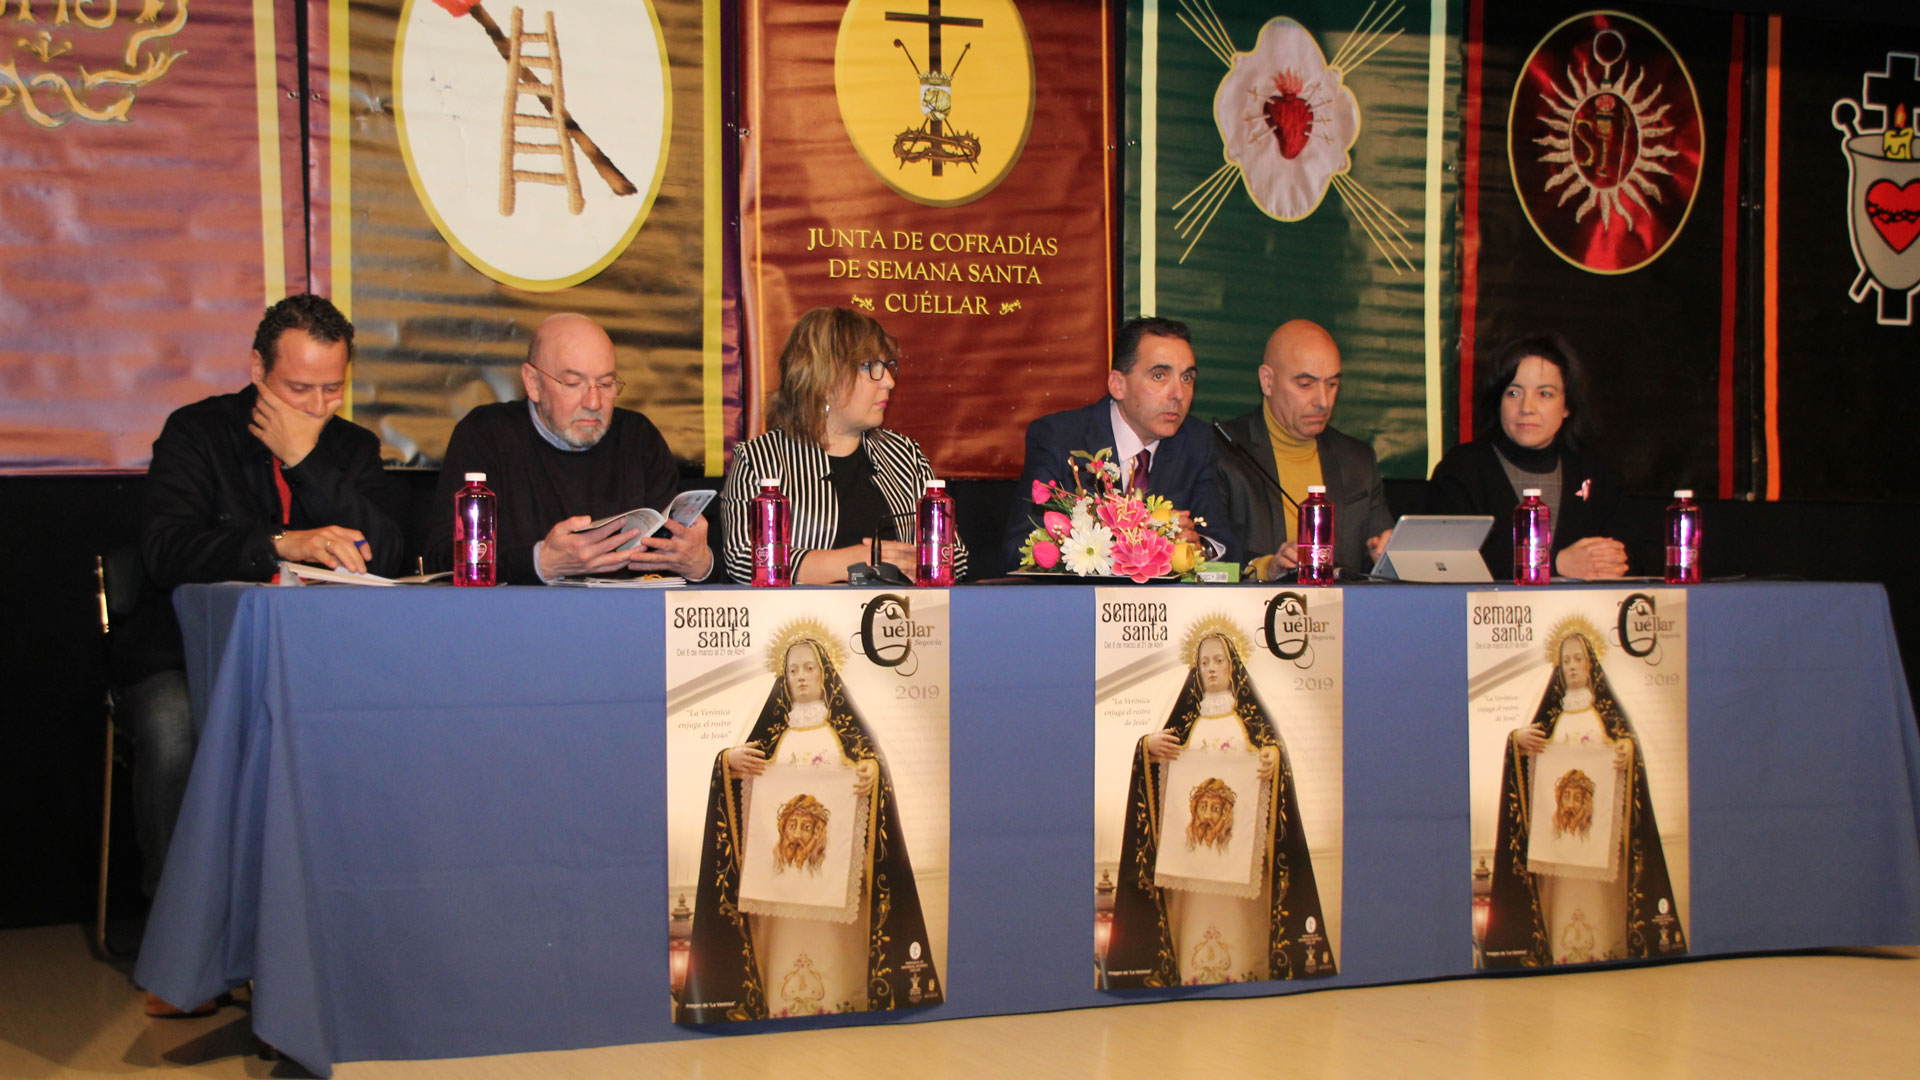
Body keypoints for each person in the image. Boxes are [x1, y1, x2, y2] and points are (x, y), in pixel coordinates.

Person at [127, 294, 403, 1013]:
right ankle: (180, 941)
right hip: (190, 655)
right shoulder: (196, 434)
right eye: (298, 389)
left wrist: (306, 458)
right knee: (168, 726)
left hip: (321, 664)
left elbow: (394, 551)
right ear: (256, 369)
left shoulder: (349, 448)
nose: (317, 404)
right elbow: (165, 552)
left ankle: (337, 926)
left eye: (332, 389)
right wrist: (278, 543)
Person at [678, 630, 942, 1020]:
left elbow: (872, 768)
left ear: (825, 676)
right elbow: (737, 789)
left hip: (832, 879)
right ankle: (779, 1006)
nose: (801, 676)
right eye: (792, 670)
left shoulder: (849, 738)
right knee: (783, 948)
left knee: (837, 951)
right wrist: (729, 761)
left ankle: (843, 1000)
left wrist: (870, 772)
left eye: (810, 668)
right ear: (783, 678)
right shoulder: (771, 737)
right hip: (780, 887)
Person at [1103, 628, 1335, 987]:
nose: (1211, 668)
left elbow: (1273, 758)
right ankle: (1189, 974)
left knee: (1241, 921)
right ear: (1195, 669)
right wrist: (1147, 747)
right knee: (1193, 920)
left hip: (1238, 856)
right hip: (1192, 864)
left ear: (1233, 668)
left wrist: (1272, 759)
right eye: (1204, 661)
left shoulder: (1253, 726)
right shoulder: (1185, 724)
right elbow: (1154, 769)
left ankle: (1247, 970)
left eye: (1219, 660)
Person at [428, 313, 714, 584]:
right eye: (573, 383)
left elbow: (676, 554)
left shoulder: (638, 437)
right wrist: (541, 563)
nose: (593, 402)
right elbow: (439, 559)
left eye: (605, 383)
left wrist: (699, 565)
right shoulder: (486, 434)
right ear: (533, 383)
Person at [1480, 620, 1687, 968]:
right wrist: (1517, 741)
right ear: (1558, 668)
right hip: (1558, 852)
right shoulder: (1550, 718)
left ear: (1591, 663)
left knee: (1603, 907)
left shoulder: (1608, 719)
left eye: (1578, 659)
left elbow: (1628, 754)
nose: (1573, 666)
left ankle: (1608, 950)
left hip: (1599, 844)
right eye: (1566, 661)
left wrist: (1625, 750)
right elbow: (1525, 767)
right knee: (1560, 904)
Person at [720, 307, 967, 583]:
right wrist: (849, 562)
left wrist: (920, 562)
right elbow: (743, 559)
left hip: (898, 620)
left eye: (887, 367)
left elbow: (956, 555)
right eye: (871, 367)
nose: (889, 381)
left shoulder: (904, 454)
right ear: (824, 379)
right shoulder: (760, 460)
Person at [1002, 316, 1236, 571]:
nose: (1178, 394)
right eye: (1159, 376)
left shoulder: (1196, 441)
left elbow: (1224, 545)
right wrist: (1132, 537)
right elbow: (1018, 550)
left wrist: (1199, 545)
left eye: (1187, 378)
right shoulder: (1060, 438)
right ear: (1118, 385)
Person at [1426, 333, 1626, 579]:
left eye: (1545, 394)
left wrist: (1611, 563)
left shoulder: (1595, 472)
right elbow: (1446, 563)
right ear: (1497, 401)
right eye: (1513, 393)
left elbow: (1629, 556)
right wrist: (1555, 564)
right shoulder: (1462, 469)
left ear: (1566, 406)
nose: (1527, 408)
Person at [1213, 320, 1394, 580]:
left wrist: (1385, 555)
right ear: (1267, 381)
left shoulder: (1357, 460)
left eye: (1332, 384)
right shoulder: (1223, 450)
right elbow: (1207, 557)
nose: (1322, 402)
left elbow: (1376, 555)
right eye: (1305, 385)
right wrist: (1266, 568)